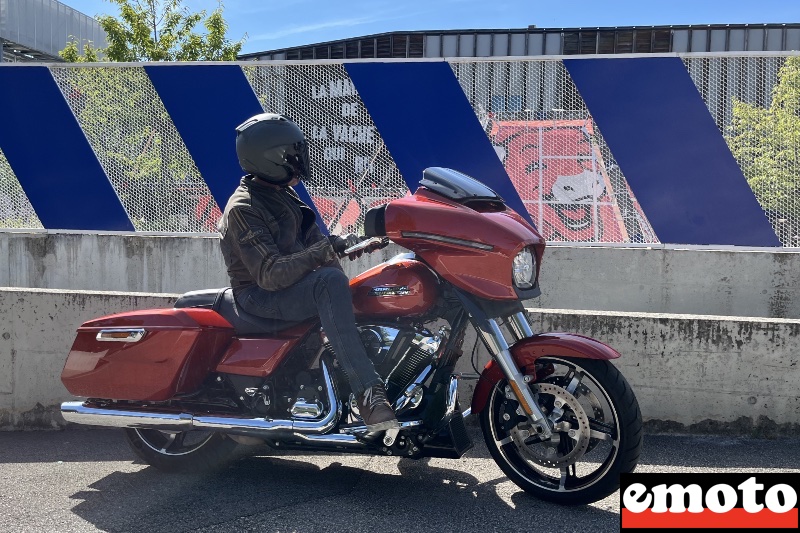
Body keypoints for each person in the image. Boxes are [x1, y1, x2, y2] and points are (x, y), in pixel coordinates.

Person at [218, 113, 398, 432]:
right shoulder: (243, 208)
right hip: (259, 297)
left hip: (292, 289)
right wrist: (327, 251)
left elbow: (316, 247)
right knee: (329, 282)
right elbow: (270, 274)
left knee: (360, 286)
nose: (301, 159)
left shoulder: (282, 195)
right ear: (270, 159)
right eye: (293, 153)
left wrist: (354, 246)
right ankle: (369, 395)